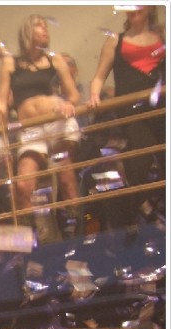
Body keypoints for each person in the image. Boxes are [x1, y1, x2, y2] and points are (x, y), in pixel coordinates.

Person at [0, 14, 81, 242]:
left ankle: (75, 233)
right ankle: (33, 238)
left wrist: (68, 104)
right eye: (39, 26)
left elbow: (73, 94)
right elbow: (2, 101)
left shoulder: (55, 60)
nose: (45, 30)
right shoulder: (10, 63)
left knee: (66, 176)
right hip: (31, 130)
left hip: (57, 122)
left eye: (46, 27)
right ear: (27, 32)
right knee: (23, 184)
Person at [88, 5, 166, 229]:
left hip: (162, 110)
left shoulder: (161, 37)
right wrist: (94, 95)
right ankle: (135, 215)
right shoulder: (115, 41)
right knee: (140, 162)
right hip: (133, 113)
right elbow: (99, 76)